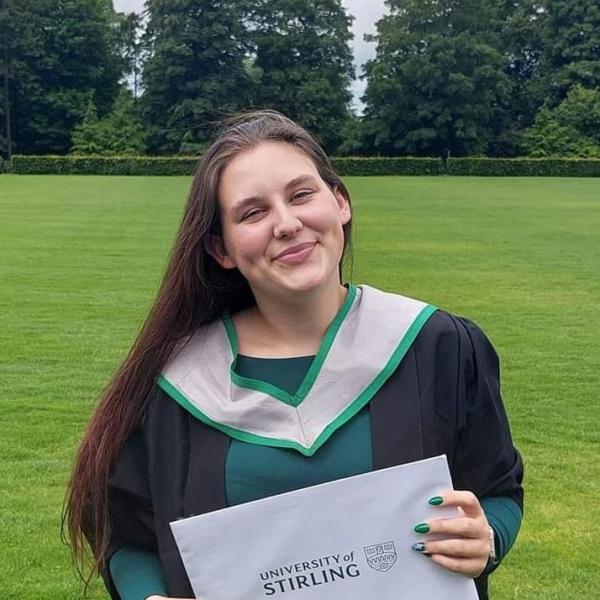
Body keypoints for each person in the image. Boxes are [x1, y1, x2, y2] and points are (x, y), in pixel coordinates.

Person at [65, 110, 523, 600]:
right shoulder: (176, 382)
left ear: (340, 202)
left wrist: (486, 538)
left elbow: (499, 491)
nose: (287, 224)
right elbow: (127, 535)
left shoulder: (438, 347)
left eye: (302, 194)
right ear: (221, 249)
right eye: (252, 213)